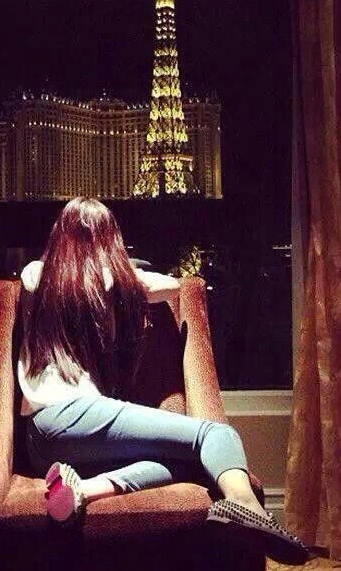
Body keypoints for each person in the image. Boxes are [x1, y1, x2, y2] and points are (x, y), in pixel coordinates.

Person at [17, 197, 309, 565]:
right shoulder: (110, 280)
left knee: (193, 464)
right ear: (109, 240)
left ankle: (82, 490)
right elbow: (172, 286)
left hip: (40, 443)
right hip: (72, 413)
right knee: (216, 436)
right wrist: (121, 267)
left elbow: (39, 273)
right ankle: (246, 509)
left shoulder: (35, 276)